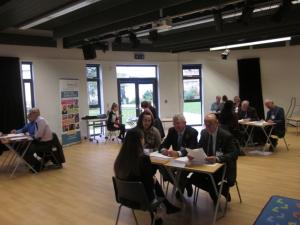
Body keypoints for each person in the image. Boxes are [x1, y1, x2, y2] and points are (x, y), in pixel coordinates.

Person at [114, 128, 180, 215]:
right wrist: (153, 180)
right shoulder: (143, 159)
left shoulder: (120, 159)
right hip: (142, 199)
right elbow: (149, 186)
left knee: (150, 179)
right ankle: (164, 208)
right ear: (140, 140)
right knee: (153, 180)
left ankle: (163, 210)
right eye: (143, 138)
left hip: (124, 198)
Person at [188, 113, 239, 205]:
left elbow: (234, 154)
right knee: (193, 178)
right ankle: (221, 190)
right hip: (206, 164)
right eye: (205, 124)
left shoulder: (226, 136)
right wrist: (194, 154)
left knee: (212, 181)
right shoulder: (204, 133)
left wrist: (218, 158)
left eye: (210, 124)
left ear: (217, 123)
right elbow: (199, 147)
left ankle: (215, 195)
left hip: (222, 166)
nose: (207, 126)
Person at [159, 114, 198, 197]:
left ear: (184, 123)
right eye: (174, 123)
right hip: (176, 160)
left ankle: (181, 187)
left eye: (178, 123)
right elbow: (164, 144)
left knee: (182, 172)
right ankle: (184, 185)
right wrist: (163, 150)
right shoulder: (172, 131)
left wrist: (178, 153)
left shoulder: (192, 132)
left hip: (189, 160)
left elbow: (191, 148)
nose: (176, 126)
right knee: (162, 168)